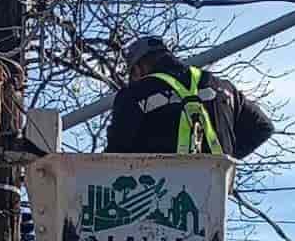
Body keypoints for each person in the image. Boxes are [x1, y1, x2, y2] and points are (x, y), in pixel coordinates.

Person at [106, 34, 274, 158]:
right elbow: (263, 127)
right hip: (214, 193)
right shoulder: (223, 88)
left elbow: (114, 154)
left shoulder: (134, 94)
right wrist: (227, 159)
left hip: (156, 195)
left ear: (139, 68)